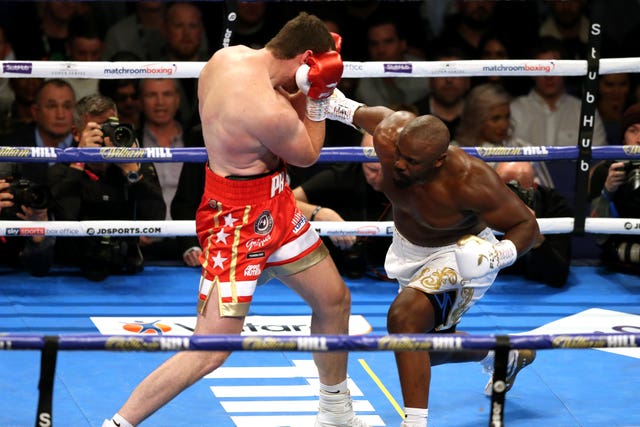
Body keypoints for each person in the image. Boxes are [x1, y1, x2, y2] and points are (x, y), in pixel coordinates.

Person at [103, 12, 368, 427]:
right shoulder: (268, 110)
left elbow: (282, 109)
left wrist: (303, 86)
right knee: (211, 348)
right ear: (306, 59)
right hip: (238, 219)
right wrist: (318, 96)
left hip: (275, 200)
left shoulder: (225, 59)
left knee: (334, 300)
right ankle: (117, 423)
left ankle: (335, 411)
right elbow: (308, 152)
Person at [325, 91, 540, 427]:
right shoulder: (390, 139)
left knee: (404, 319)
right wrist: (325, 99)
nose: (399, 165)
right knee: (419, 348)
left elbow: (529, 227)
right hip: (407, 249)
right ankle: (501, 354)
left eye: (412, 162)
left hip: (456, 253)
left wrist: (497, 255)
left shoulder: (471, 180)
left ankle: (414, 423)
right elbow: (355, 111)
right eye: (400, 156)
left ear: (439, 160)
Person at [48, 94, 165, 281]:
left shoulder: (135, 165)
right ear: (77, 134)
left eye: (111, 127)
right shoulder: (61, 171)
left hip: (128, 271)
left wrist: (130, 170)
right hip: (70, 272)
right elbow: (65, 220)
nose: (106, 135)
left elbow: (155, 220)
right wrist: (80, 159)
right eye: (98, 129)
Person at [293, 131, 392, 279]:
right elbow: (283, 201)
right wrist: (319, 214)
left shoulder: (417, 181)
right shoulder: (343, 176)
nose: (380, 176)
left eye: (387, 169)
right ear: (361, 160)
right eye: (372, 169)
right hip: (342, 272)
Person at [453, 83, 554, 187]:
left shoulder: (523, 148)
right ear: (477, 119)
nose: (504, 125)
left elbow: (546, 195)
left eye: (507, 117)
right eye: (496, 119)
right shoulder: (457, 152)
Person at [496, 162, 573, 287]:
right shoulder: (482, 201)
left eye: (514, 191)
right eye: (501, 189)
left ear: (534, 187)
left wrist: (535, 236)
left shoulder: (554, 204)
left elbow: (558, 276)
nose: (506, 198)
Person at [589, 102, 640, 275]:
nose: (639, 138)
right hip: (618, 263)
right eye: (633, 130)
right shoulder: (606, 170)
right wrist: (607, 193)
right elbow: (599, 236)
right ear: (623, 137)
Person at [353, 12, 429, 109]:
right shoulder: (363, 85)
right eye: (374, 44)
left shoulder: (424, 73)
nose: (381, 50)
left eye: (388, 42)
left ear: (403, 44)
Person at [414, 46, 471, 138]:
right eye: (442, 73)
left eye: (455, 73)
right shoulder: (414, 116)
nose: (449, 79)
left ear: (468, 81)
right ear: (430, 80)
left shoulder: (480, 115)